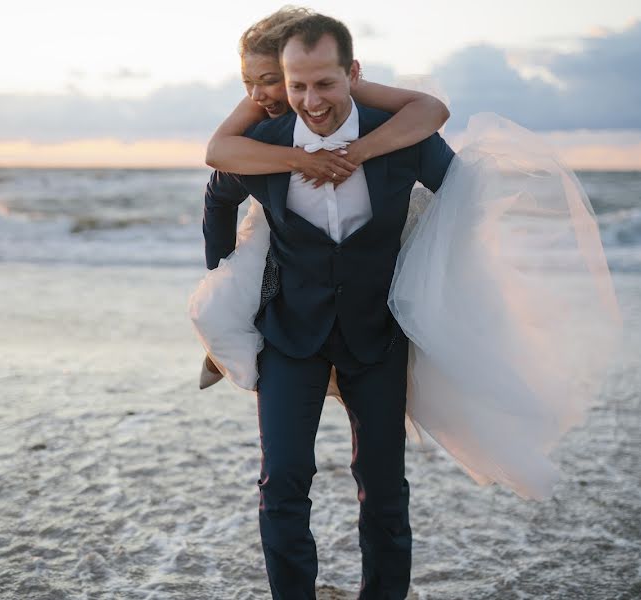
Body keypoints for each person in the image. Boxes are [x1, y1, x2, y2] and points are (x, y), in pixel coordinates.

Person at [196, 13, 456, 599]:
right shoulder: (262, 144)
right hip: (289, 333)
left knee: (384, 487)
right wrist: (225, 289)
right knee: (283, 480)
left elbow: (462, 198)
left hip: (379, 334)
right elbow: (217, 200)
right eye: (298, 86)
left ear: (352, 76)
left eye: (326, 84)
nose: (311, 101)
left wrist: (439, 286)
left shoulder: (400, 135)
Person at [196, 6, 449, 390]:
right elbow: (216, 152)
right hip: (277, 206)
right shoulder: (259, 102)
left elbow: (431, 110)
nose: (256, 93)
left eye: (268, 80)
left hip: (357, 230)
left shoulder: (336, 86)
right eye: (249, 81)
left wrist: (357, 153)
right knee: (240, 290)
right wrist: (301, 161)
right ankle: (223, 348)